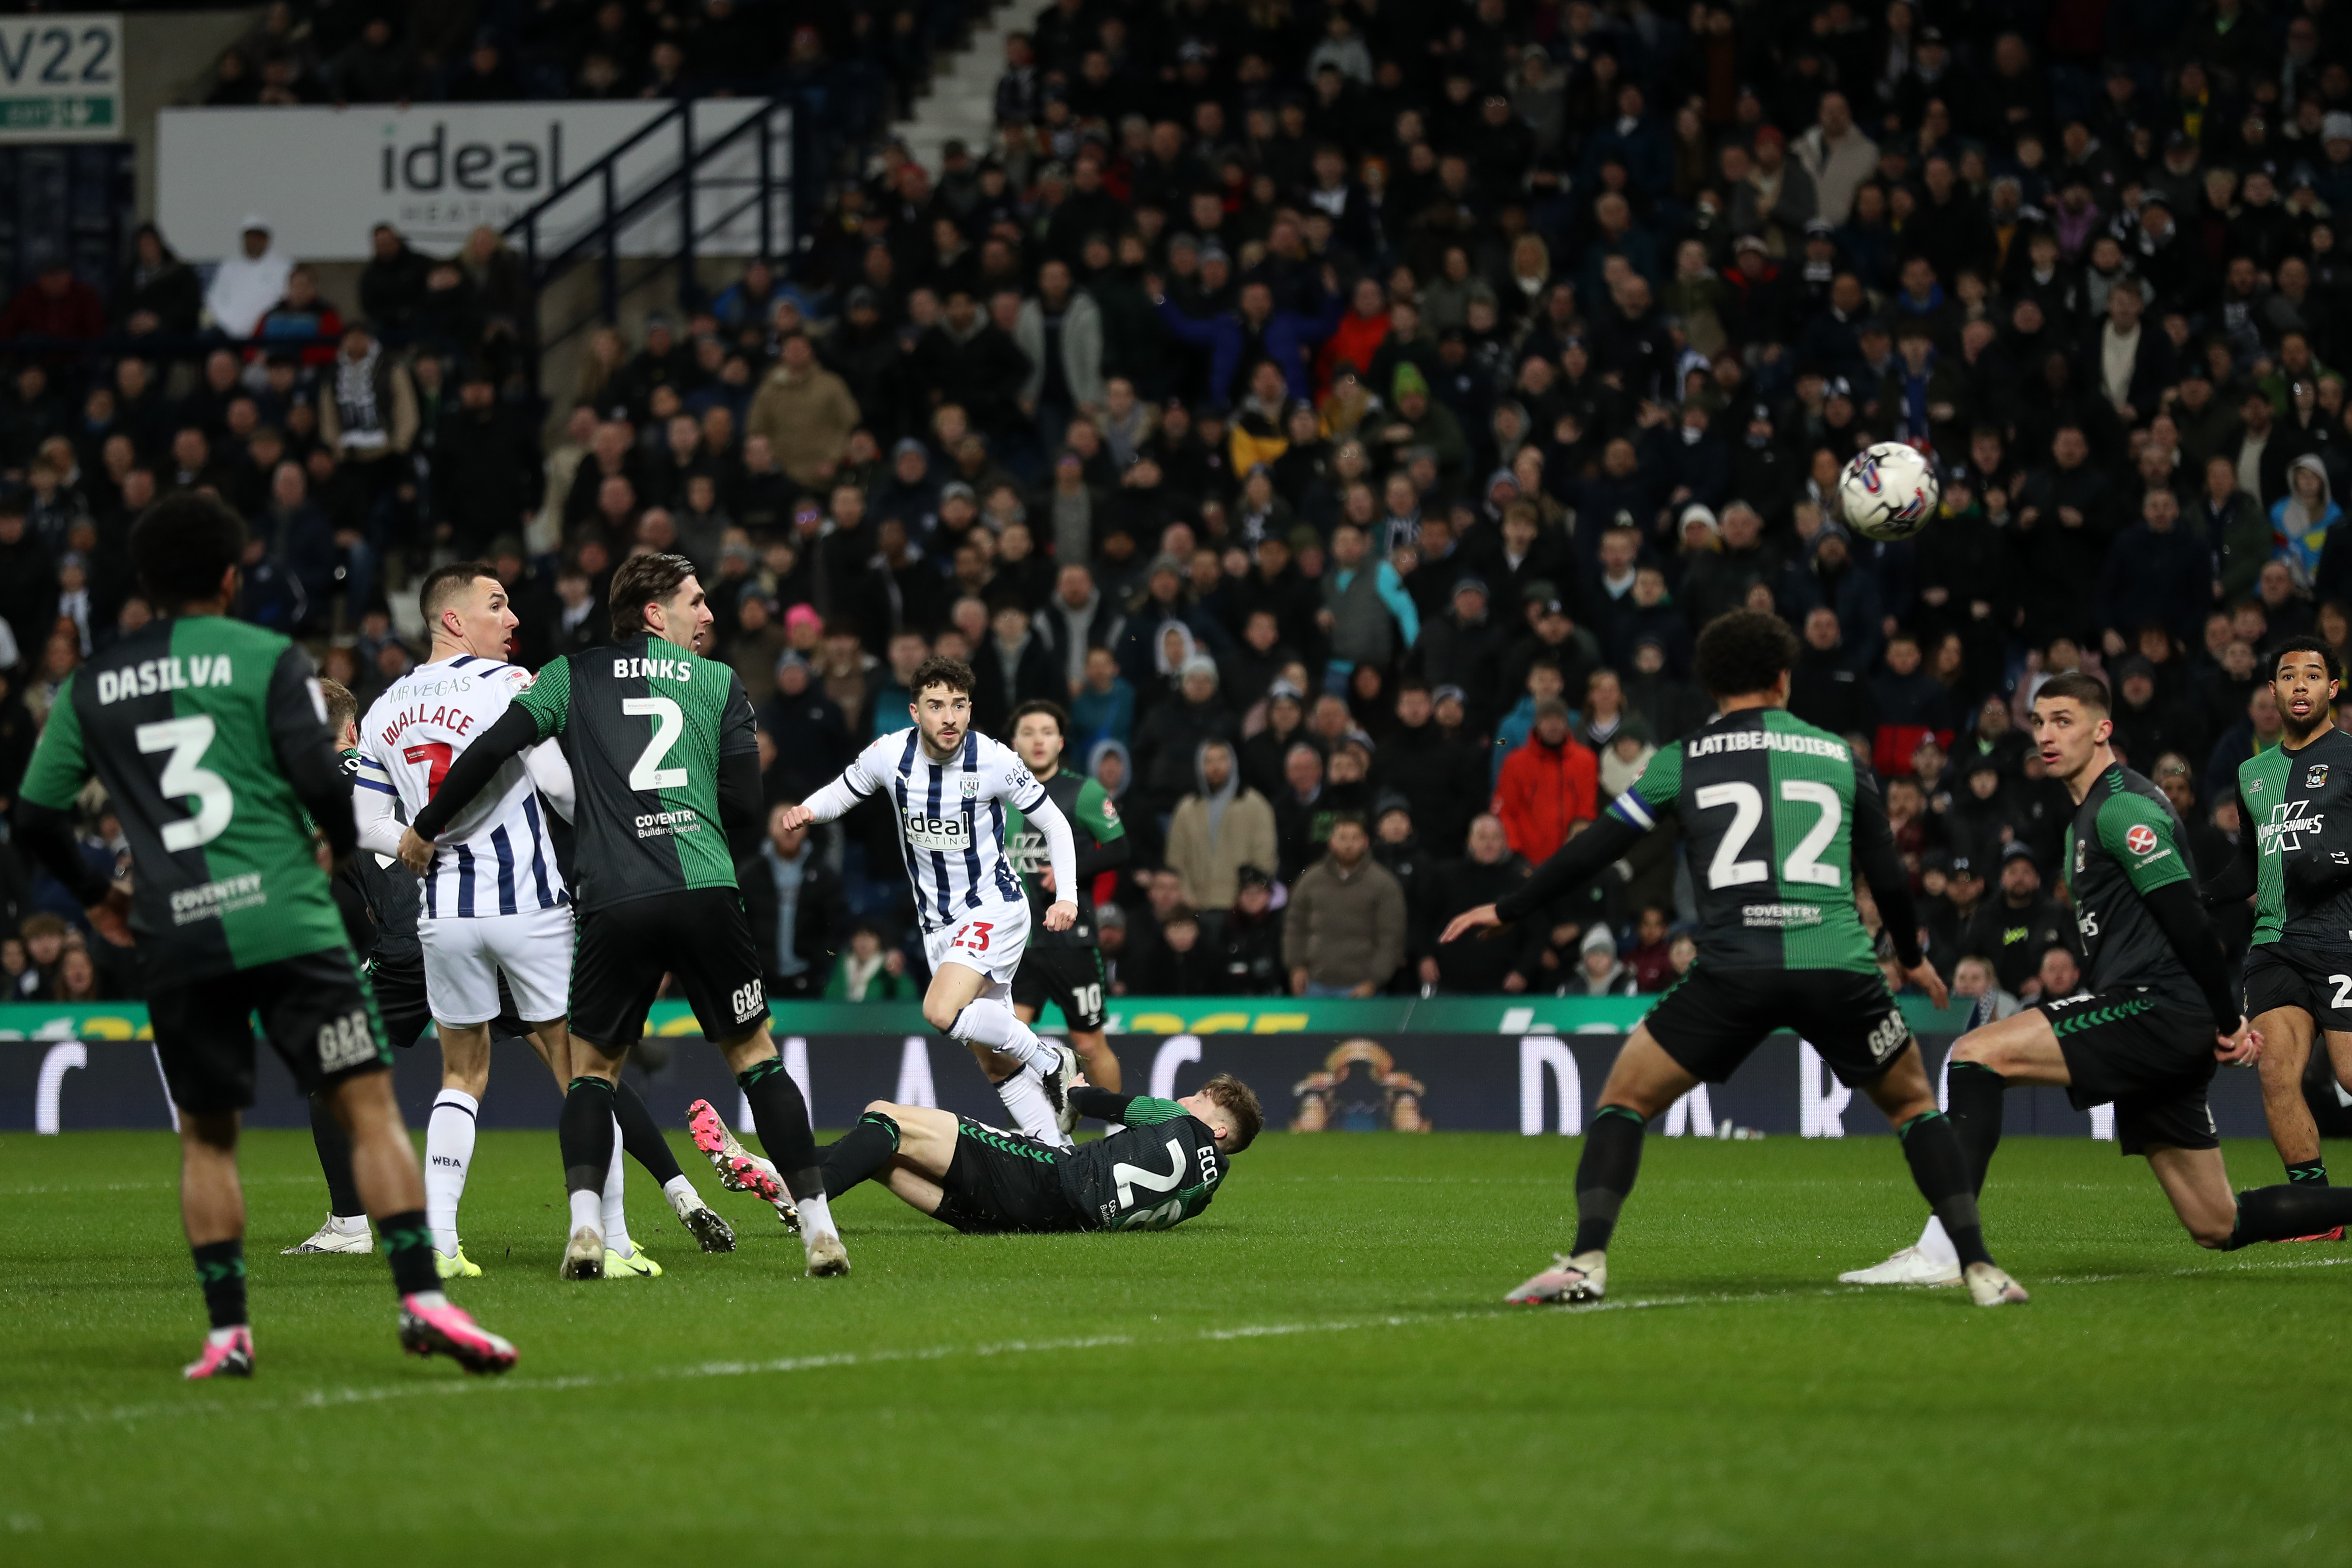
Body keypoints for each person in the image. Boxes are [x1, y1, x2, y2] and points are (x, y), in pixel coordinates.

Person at [11, 493, 515, 1376]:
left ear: (144, 584)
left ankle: (227, 1332)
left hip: (178, 929)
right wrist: (328, 841)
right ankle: (425, 1303)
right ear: (232, 575)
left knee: (209, 1135)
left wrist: (100, 896)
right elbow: (326, 784)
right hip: (287, 918)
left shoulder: (93, 686)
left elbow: (36, 817)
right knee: (366, 1107)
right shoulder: (267, 658)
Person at [1442, 610, 2026, 1308]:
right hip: (1836, 966)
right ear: (1783, 678)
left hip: (1731, 970)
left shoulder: (1679, 759)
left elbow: (1597, 845)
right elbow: (1890, 877)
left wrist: (1508, 909)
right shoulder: (1841, 758)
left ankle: (1587, 1261)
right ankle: (1980, 1268)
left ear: (1710, 685)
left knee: (1624, 1099)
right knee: (1913, 1107)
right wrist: (1907, 958)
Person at [400, 552, 846, 1279]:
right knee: (755, 1056)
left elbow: (490, 750)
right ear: (652, 612)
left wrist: (426, 825)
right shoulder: (719, 682)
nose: (708, 614)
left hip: (614, 896)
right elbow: (741, 806)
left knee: (593, 1070)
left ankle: (584, 1229)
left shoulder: (568, 675)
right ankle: (820, 1231)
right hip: (704, 888)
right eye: (695, 601)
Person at [1843, 672, 2352, 1285]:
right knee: (2218, 1223)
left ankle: (1945, 1251)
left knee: (1975, 1054)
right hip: (2162, 1020)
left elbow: (2188, 917)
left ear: (2102, 728)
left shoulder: (2122, 807)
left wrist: (2225, 1020)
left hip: (2155, 1008)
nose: (2047, 735)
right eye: (2038, 722)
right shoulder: (2079, 822)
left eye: (2064, 720)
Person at [777, 656, 1084, 1150]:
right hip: (938, 925)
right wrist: (809, 810)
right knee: (991, 1057)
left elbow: (1055, 823)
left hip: (995, 907)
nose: (950, 717)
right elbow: (845, 790)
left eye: (959, 705)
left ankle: (1051, 1060)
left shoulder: (995, 760)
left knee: (941, 1011)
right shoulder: (888, 755)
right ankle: (1058, 1151)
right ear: (914, 711)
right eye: (937, 705)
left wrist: (1066, 895)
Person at [702, 1073, 1263, 1235]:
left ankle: (798, 1192)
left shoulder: (1175, 1119)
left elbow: (1093, 1100)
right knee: (882, 1155)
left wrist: (1071, 1082)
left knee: (885, 1114)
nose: (1184, 1102)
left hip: (1048, 1176)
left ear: (1217, 1127)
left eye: (1197, 1101)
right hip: (1046, 1224)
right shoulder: (1202, 1196)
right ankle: (778, 1175)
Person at [2200, 638, 2352, 1198]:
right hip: (2272, 945)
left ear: (2331, 689)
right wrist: (2197, 898)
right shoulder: (2251, 774)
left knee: (2350, 1075)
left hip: (2341, 937)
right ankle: (2316, 1208)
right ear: (2272, 691)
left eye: (2312, 676)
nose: (2299, 686)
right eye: (2288, 677)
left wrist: (2335, 861)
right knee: (2274, 1073)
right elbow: (2248, 864)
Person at [1002, 699, 1130, 1095]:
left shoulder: (1084, 791)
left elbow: (1120, 847)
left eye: (1046, 732)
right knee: (1008, 1046)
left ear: (1060, 741)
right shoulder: (998, 795)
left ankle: (1118, 1129)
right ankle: (1034, 1132)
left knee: (1090, 1043)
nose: (1037, 741)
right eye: (1028, 732)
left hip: (1070, 941)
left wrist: (1068, 873)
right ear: (1013, 743)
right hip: (1016, 943)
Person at [1284, 815, 1407, 996]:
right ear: (1331, 842)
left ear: (1366, 842)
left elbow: (1391, 938)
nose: (1348, 845)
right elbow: (1294, 926)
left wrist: (1374, 981)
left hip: (1361, 987)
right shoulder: (1311, 879)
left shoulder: (1383, 884)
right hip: (1314, 984)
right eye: (1342, 838)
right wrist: (1296, 966)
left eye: (1355, 838)